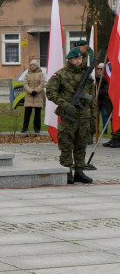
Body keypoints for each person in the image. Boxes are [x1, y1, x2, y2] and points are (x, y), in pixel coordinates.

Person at [45, 48, 96, 184]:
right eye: (76, 59)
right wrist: (64, 105)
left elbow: (92, 98)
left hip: (84, 116)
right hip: (69, 115)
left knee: (81, 144)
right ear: (70, 59)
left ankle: (79, 171)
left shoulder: (87, 76)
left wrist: (93, 117)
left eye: (80, 58)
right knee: (66, 143)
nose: (79, 61)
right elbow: (50, 92)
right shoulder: (60, 75)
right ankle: (67, 171)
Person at [21, 59, 45, 133]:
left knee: (37, 114)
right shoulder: (27, 74)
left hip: (38, 95)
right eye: (31, 65)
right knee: (27, 113)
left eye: (33, 65)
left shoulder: (41, 74)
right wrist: (31, 91)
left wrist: (36, 91)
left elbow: (42, 84)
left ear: (37, 66)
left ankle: (37, 128)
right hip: (29, 96)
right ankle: (25, 127)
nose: (32, 66)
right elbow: (25, 84)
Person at [96, 62, 112, 134]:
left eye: (101, 69)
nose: (99, 70)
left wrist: (99, 92)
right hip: (96, 100)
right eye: (98, 68)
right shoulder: (95, 78)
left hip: (104, 100)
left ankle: (104, 130)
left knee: (105, 115)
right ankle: (96, 129)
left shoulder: (107, 78)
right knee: (95, 115)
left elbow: (107, 89)